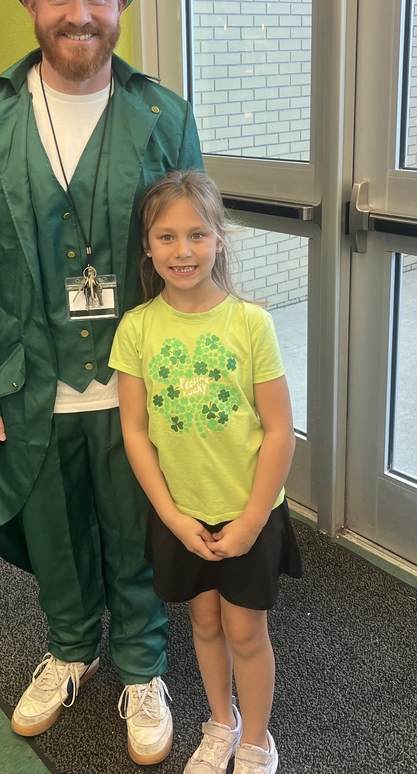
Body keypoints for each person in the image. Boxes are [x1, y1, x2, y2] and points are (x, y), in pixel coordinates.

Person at [0, 0, 202, 765]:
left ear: (121, 4)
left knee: (135, 529)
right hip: (30, 377)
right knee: (54, 532)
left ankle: (143, 667)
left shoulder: (162, 114)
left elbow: (194, 251)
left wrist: (197, 374)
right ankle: (69, 649)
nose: (78, 14)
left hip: (136, 381)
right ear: (32, 5)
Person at [109, 170, 303, 774]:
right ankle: (222, 722)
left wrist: (251, 521)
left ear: (220, 238)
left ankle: (256, 740)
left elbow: (280, 431)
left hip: (248, 513)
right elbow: (135, 431)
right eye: (166, 237)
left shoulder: (250, 323)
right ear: (147, 247)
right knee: (204, 622)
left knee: (246, 632)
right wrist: (171, 516)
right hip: (182, 515)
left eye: (197, 234)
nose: (183, 250)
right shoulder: (137, 328)